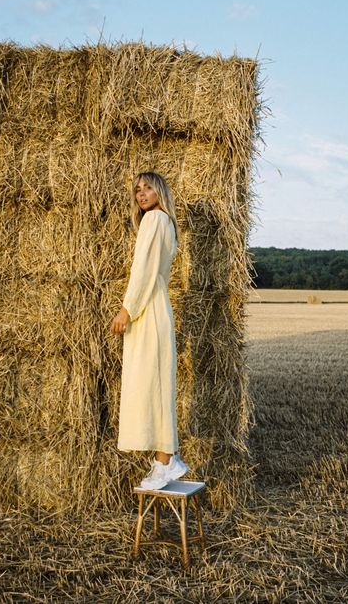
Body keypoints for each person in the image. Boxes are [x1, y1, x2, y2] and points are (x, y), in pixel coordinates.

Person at [110, 172, 189, 489]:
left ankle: (164, 462)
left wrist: (127, 308)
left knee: (152, 387)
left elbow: (142, 269)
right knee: (153, 385)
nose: (141, 194)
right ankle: (167, 456)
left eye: (147, 188)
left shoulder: (154, 220)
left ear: (160, 191)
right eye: (137, 190)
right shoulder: (164, 221)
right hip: (155, 309)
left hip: (147, 310)